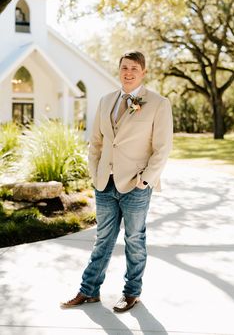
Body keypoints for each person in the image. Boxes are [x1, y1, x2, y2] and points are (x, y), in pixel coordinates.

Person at [61, 51, 173, 312]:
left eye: (134, 68)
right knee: (102, 239)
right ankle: (89, 290)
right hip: (104, 183)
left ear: (143, 72)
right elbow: (97, 142)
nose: (129, 72)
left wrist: (145, 181)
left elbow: (162, 148)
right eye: (124, 67)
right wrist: (94, 172)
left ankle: (131, 293)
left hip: (136, 185)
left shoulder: (158, 103)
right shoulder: (106, 101)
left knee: (134, 240)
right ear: (119, 69)